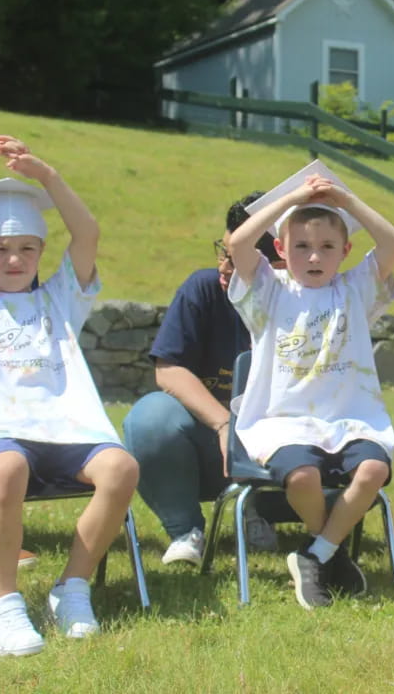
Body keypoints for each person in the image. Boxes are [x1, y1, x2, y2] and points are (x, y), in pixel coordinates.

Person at [0, 136, 139, 656]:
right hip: (0, 435)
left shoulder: (60, 297)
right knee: (5, 468)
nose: (13, 259)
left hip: (68, 430)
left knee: (120, 469)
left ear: (41, 252)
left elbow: (88, 231)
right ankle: (3, 606)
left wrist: (47, 177)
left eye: (26, 248)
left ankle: (71, 588)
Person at [228, 160, 394, 609]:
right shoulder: (268, 290)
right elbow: (239, 241)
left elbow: (392, 241)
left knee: (373, 471)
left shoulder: (356, 290)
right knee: (303, 476)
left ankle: (313, 554)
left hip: (350, 418)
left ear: (344, 252)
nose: (313, 256)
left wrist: (344, 202)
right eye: (301, 246)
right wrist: (291, 200)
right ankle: (332, 552)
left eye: (327, 246)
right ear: (281, 250)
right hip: (282, 421)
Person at [123, 193, 282, 566]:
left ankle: (260, 511)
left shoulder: (304, 302)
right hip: (209, 447)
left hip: (280, 448)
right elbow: (169, 370)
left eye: (234, 256)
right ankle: (186, 531)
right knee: (150, 419)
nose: (222, 265)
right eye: (222, 250)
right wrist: (224, 423)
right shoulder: (205, 289)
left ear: (275, 262)